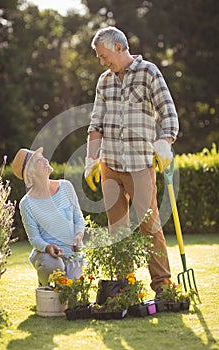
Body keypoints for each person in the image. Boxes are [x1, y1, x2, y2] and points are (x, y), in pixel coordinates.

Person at [84, 26, 179, 298]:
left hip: (139, 165)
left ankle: (162, 287)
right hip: (110, 165)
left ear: (118, 47)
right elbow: (95, 124)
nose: (102, 62)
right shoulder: (104, 81)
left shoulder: (149, 73)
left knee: (149, 226)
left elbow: (169, 114)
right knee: (118, 231)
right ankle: (123, 286)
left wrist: (165, 143)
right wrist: (92, 158)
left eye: (103, 56)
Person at [12, 147, 85, 286]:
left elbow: (78, 216)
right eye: (39, 160)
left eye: (43, 157)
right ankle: (44, 285)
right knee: (54, 267)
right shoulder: (27, 204)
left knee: (72, 292)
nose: (45, 160)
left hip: (72, 254)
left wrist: (78, 235)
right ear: (31, 173)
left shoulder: (66, 187)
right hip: (48, 255)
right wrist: (48, 248)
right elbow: (34, 238)